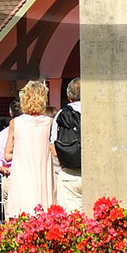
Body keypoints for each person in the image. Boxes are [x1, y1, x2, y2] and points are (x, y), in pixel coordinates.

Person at [4, 78, 59, 219]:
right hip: (43, 176)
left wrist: (20, 154)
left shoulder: (15, 123)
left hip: (22, 177)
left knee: (21, 217)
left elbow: (7, 154)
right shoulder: (50, 123)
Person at [52, 78, 83, 213]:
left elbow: (53, 148)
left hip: (69, 175)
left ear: (69, 97)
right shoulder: (98, 110)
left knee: (72, 221)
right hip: (96, 174)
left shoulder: (61, 115)